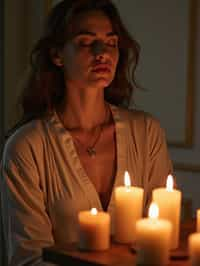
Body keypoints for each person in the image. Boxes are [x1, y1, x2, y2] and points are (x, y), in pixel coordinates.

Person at [0, 0, 173, 265]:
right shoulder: (27, 146)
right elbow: (29, 257)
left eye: (111, 42)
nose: (102, 52)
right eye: (85, 42)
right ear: (57, 55)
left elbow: (160, 230)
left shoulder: (146, 132)